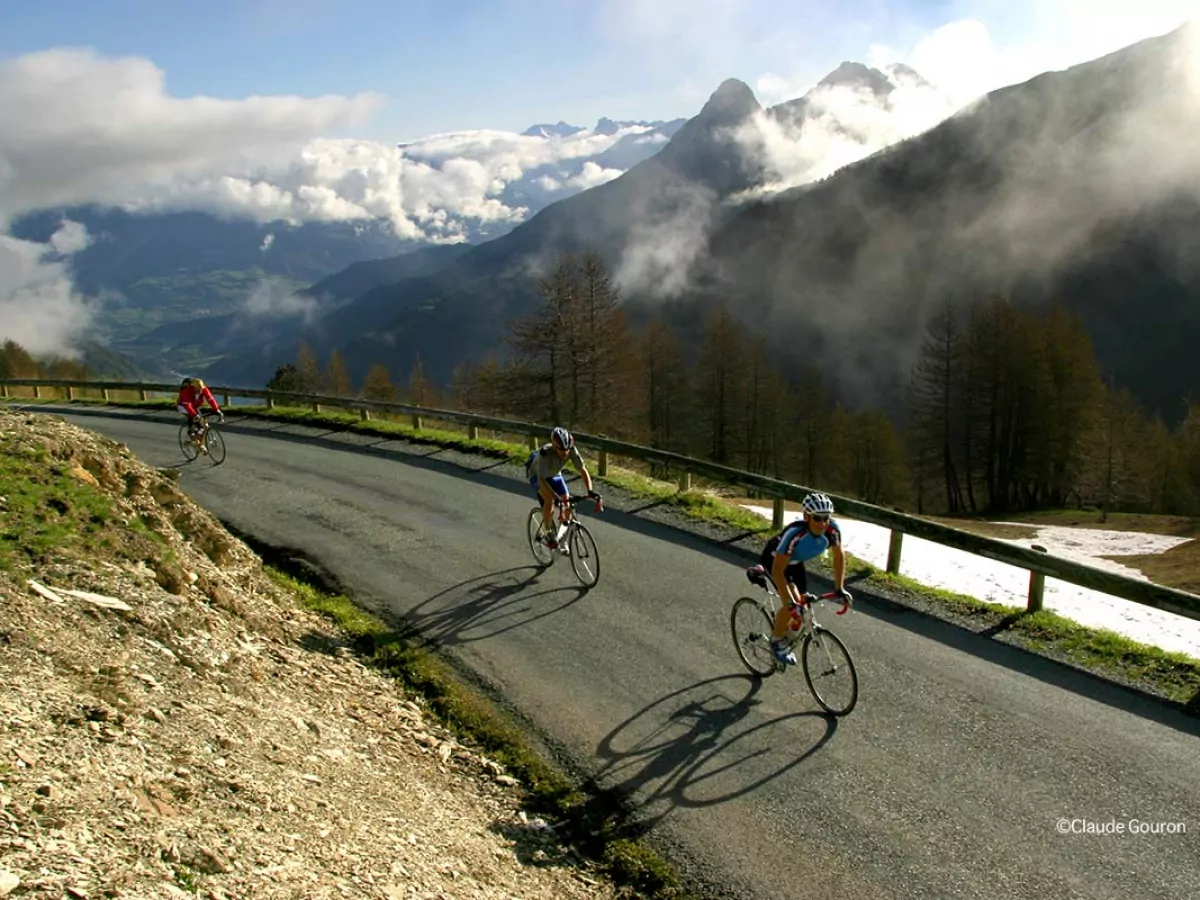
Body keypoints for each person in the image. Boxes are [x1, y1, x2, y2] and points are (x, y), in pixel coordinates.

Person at [753, 492, 851, 666]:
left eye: (826, 518)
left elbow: (838, 556)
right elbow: (778, 570)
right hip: (776, 560)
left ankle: (788, 631)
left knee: (803, 603)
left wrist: (840, 588)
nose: (823, 523)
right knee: (791, 603)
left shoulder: (832, 530)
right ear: (806, 517)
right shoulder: (795, 534)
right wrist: (788, 602)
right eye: (817, 518)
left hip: (795, 562)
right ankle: (776, 641)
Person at [525, 426, 599, 549]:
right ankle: (548, 532)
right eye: (561, 450)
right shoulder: (545, 453)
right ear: (555, 447)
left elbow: (582, 470)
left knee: (567, 503)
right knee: (550, 500)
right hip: (537, 476)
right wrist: (554, 496)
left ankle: (562, 540)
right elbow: (542, 481)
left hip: (554, 474)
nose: (565, 453)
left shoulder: (571, 449)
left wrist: (590, 490)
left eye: (567, 449)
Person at [176, 377, 223, 443]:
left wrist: (216, 409)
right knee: (194, 418)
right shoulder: (187, 391)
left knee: (200, 421)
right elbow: (187, 405)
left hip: (194, 405)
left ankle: (198, 434)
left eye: (201, 389)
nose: (200, 391)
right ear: (193, 387)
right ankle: (191, 433)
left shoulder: (204, 389)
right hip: (183, 406)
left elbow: (210, 399)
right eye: (198, 389)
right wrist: (194, 415)